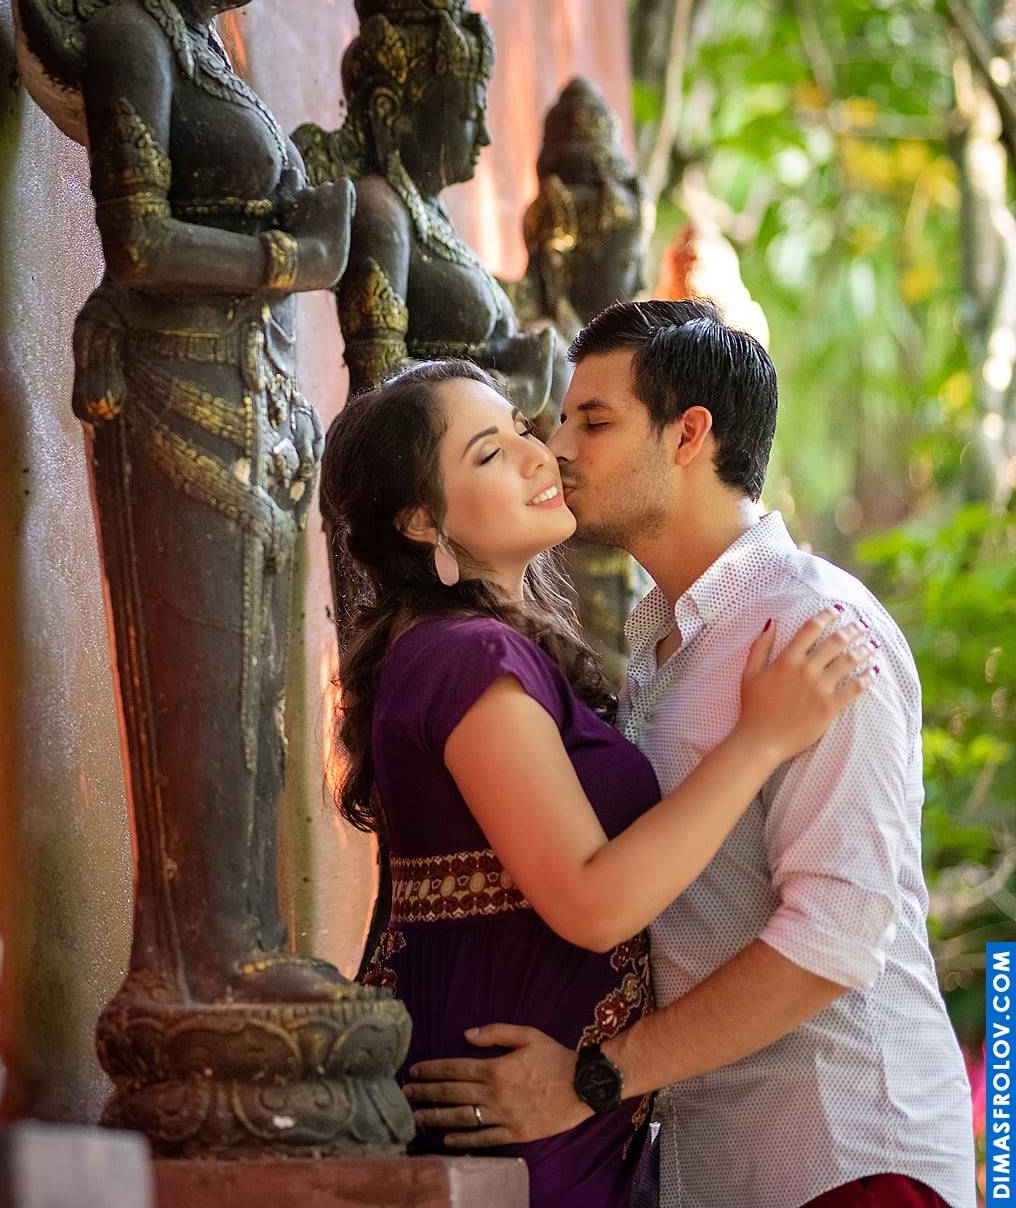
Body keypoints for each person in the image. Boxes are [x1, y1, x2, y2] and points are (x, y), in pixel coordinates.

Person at [404, 301, 976, 1208]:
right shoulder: (660, 645)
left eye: (593, 422)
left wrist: (591, 1078)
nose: (558, 448)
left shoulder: (813, 631)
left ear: (689, 435)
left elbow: (834, 936)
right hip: (716, 1167)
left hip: (844, 1158)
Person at [322, 357, 873, 1206]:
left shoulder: (471, 650)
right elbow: (593, 900)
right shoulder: (468, 657)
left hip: (532, 1108)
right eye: (488, 453)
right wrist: (759, 741)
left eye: (520, 429)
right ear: (421, 521)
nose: (539, 453)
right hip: (515, 1116)